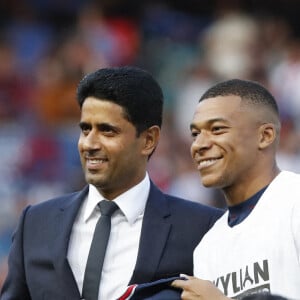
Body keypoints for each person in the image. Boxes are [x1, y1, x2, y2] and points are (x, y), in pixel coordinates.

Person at [0, 66, 223, 300]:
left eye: (107, 131)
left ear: (148, 140)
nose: (89, 144)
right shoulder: (35, 223)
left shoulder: (202, 228)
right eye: (85, 129)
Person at [172, 79, 300, 299]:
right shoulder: (207, 246)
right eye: (195, 134)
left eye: (217, 129)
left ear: (265, 136)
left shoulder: (294, 202)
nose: (199, 145)